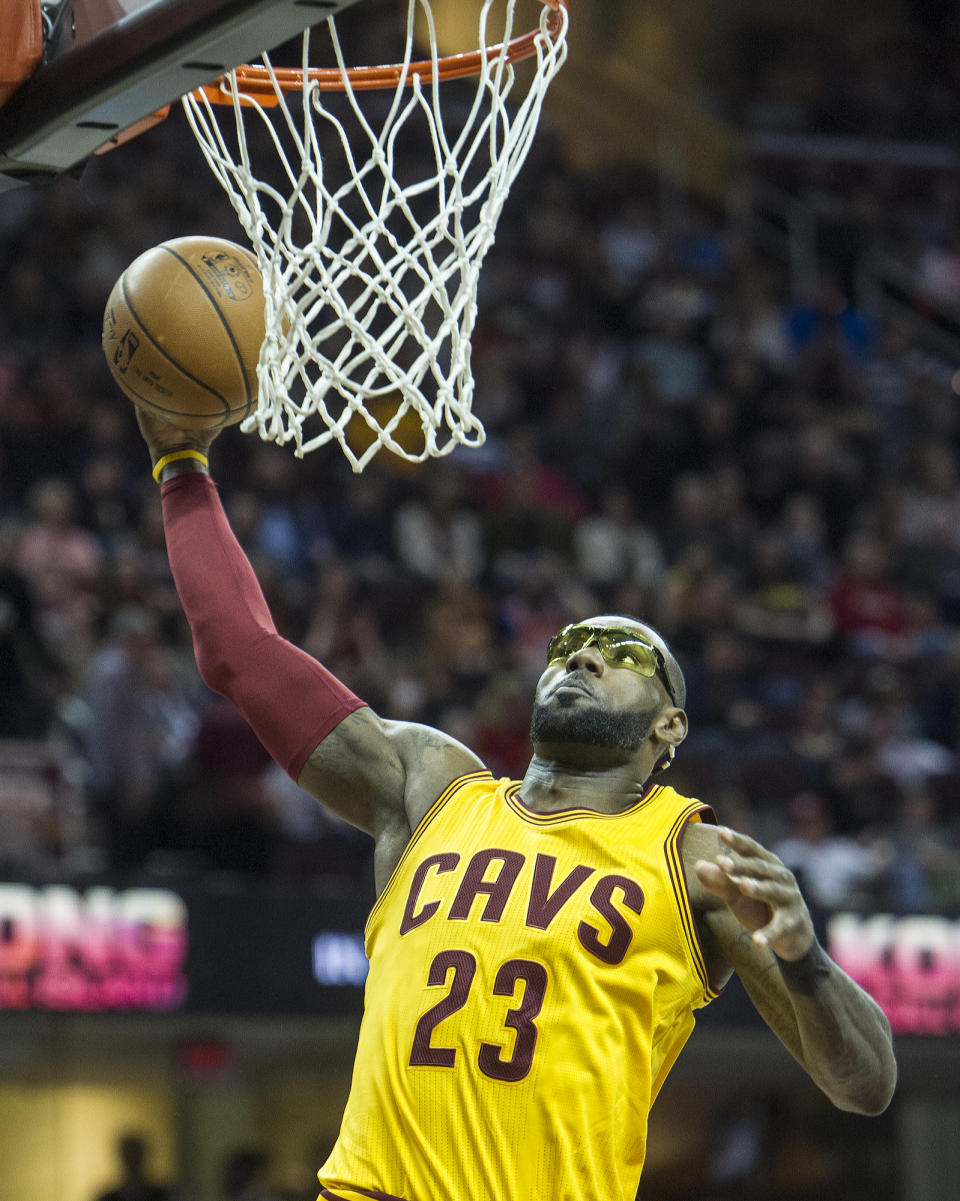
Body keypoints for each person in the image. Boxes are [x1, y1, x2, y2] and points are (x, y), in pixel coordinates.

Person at [136, 409, 897, 1201]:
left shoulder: (697, 858)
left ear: (670, 725)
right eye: (565, 648)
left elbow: (866, 1082)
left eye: (624, 652)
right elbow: (241, 652)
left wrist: (806, 961)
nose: (584, 655)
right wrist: (181, 463)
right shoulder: (431, 787)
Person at [92, 1131, 176, 1201]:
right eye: (129, 1157)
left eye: (135, 1156)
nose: (132, 1162)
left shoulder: (163, 1195)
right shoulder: (107, 1198)